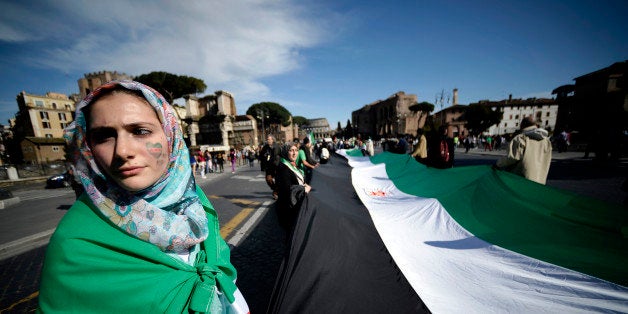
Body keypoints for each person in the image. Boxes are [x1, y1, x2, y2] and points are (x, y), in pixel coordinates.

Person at [38, 80, 248, 313]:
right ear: (88, 147)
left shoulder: (193, 199)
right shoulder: (73, 243)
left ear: (171, 135)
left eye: (140, 131)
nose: (122, 151)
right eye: (104, 136)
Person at [495, 117, 552, 185]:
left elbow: (513, 157)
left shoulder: (521, 138)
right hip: (540, 180)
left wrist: (498, 164)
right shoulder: (546, 140)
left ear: (522, 125)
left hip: (521, 180)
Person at [274, 143, 311, 232]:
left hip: (293, 208)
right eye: (291, 150)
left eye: (296, 150)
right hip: (288, 211)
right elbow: (287, 190)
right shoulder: (283, 168)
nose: (294, 153)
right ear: (285, 152)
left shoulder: (291, 164)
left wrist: (303, 184)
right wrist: (303, 189)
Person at [260, 135, 281, 200]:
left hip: (276, 167)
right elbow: (261, 155)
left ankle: (276, 193)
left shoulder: (276, 147)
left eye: (269, 139)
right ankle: (275, 190)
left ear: (272, 140)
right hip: (268, 167)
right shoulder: (265, 147)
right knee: (268, 179)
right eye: (267, 139)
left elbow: (277, 157)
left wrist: (277, 165)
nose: (267, 140)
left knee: (278, 181)